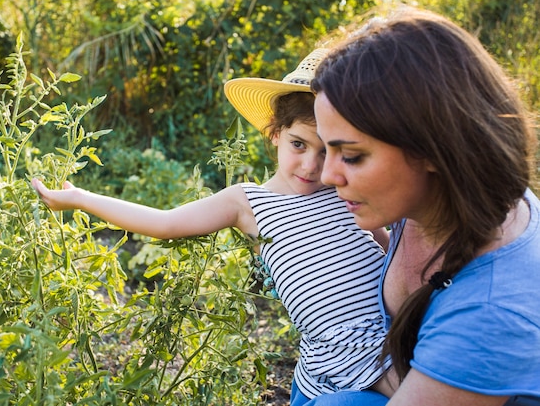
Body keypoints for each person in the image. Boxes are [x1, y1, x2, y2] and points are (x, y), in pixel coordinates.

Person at [32, 49, 394, 402]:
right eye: (298, 145)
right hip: (337, 356)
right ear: (275, 133)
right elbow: (164, 222)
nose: (311, 166)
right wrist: (80, 198)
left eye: (326, 150)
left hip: (386, 337)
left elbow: (388, 246)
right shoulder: (248, 202)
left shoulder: (341, 190)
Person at [308, 6, 540, 406]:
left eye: (352, 156)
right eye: (326, 147)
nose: (327, 176)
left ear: (434, 149)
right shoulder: (450, 195)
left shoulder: (492, 311)